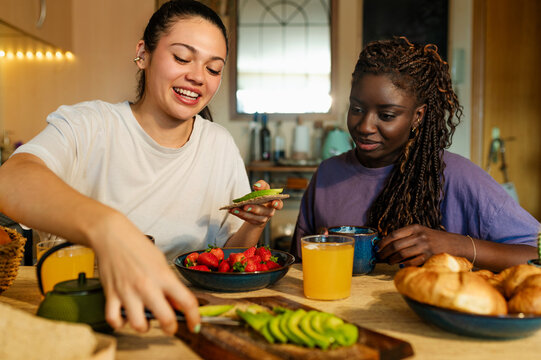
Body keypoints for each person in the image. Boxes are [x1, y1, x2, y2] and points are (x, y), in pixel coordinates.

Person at [0, 0, 283, 335]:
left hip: (182, 318)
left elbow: (225, 260)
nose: (196, 76)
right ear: (143, 54)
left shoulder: (218, 145)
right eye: (182, 57)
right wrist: (108, 228)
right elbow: (11, 180)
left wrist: (252, 224)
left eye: (213, 68)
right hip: (86, 315)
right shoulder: (90, 124)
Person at [291, 37, 539, 273]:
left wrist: (458, 246)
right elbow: (298, 265)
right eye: (356, 109)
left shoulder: (457, 176)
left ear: (418, 116)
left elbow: (534, 254)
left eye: (387, 115)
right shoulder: (328, 174)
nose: (365, 126)